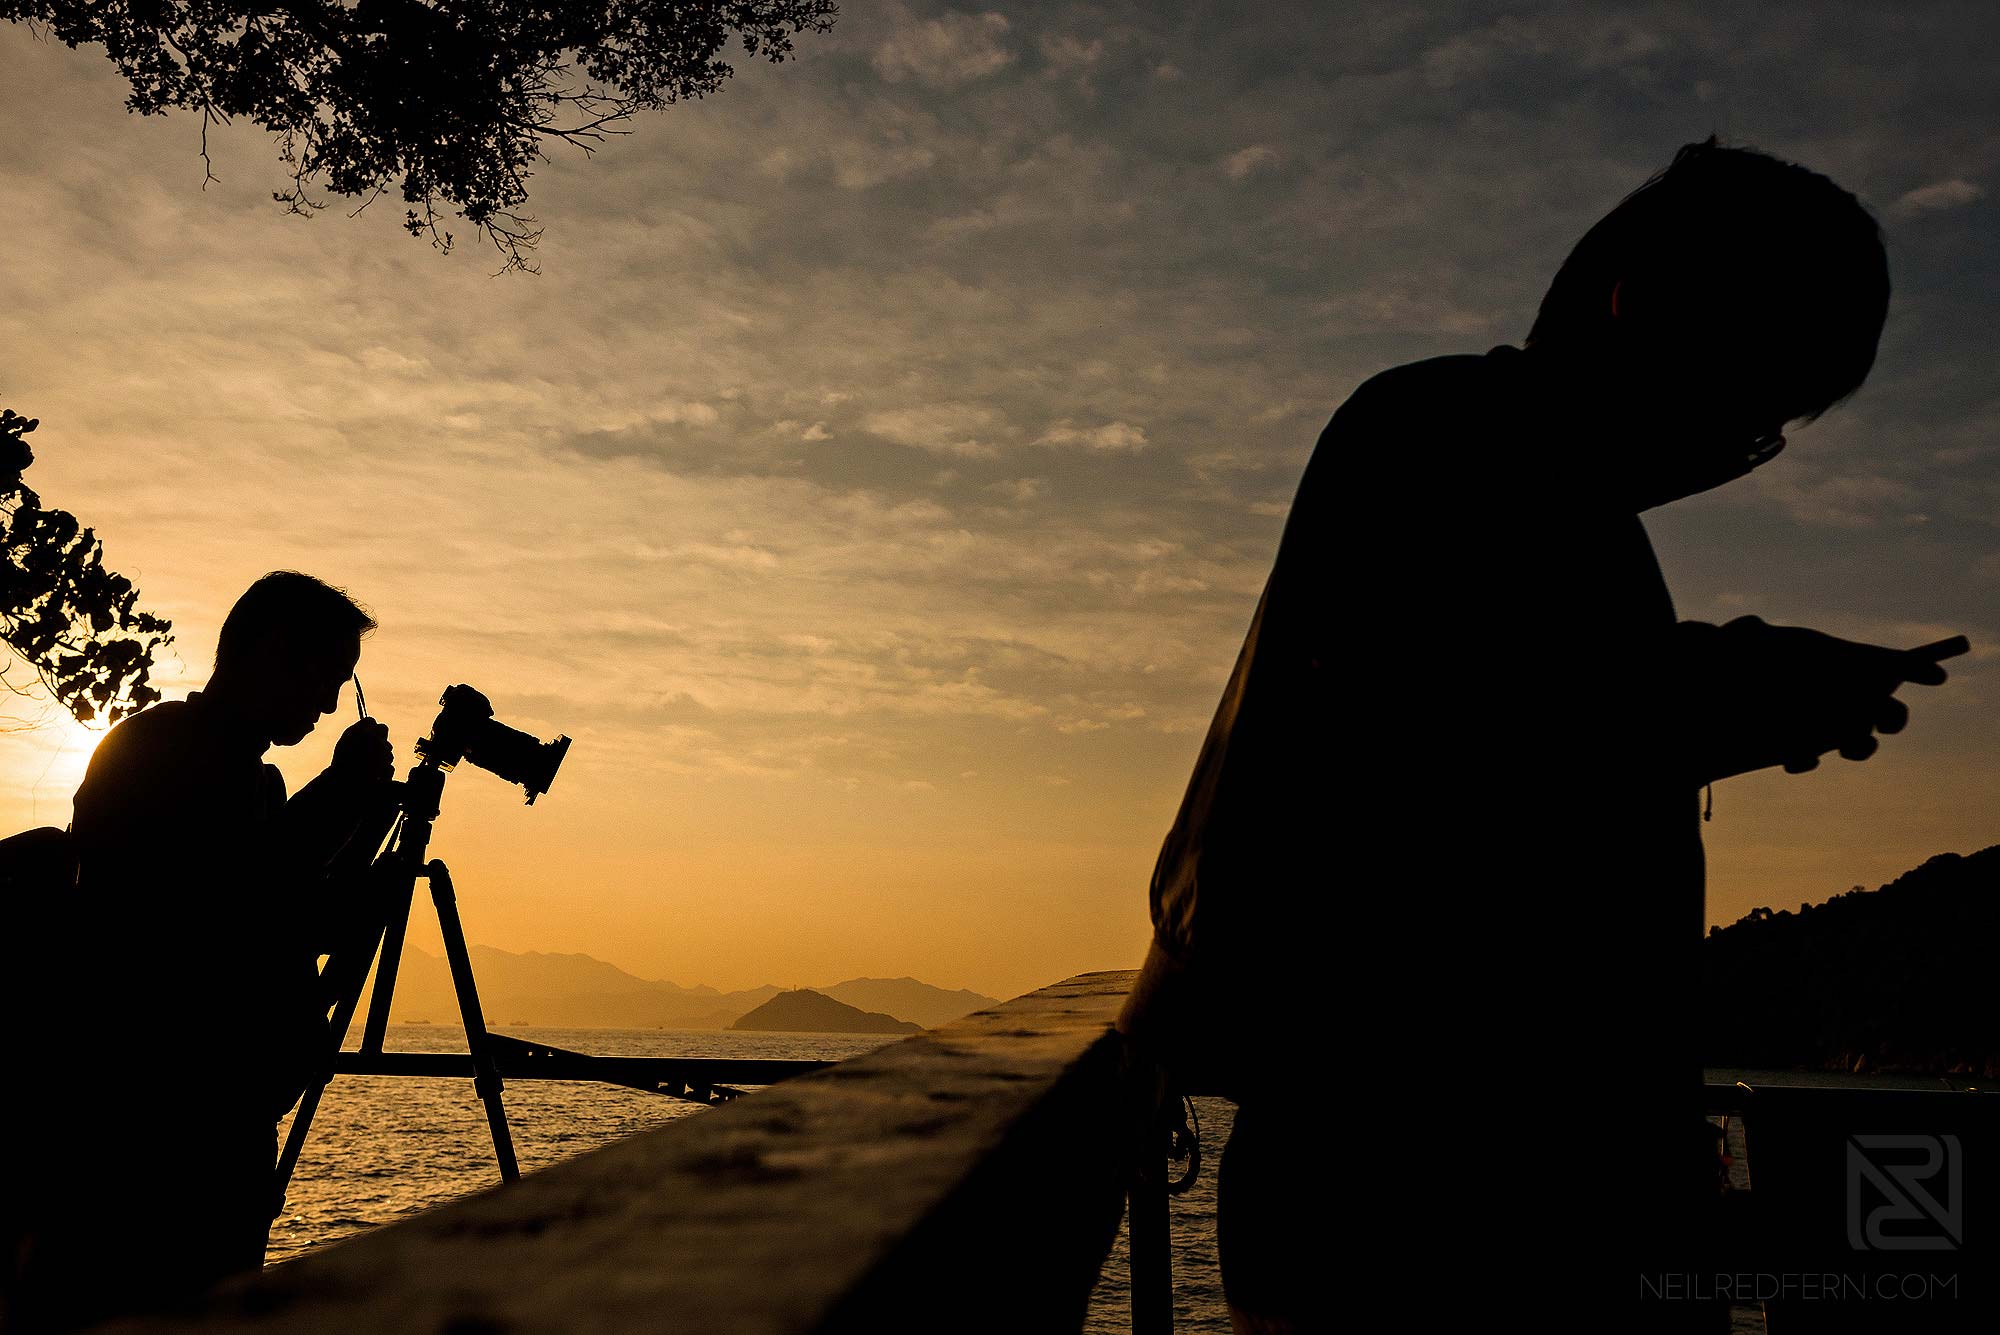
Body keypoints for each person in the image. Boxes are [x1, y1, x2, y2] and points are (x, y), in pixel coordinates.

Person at [1118, 137, 1956, 1331]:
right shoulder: (1446, 435)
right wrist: (1731, 689)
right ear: (1645, 311)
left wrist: (1728, 688)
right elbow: (1450, 734)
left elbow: (1515, 714)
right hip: (1428, 1190)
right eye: (1748, 416)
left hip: (1429, 1173)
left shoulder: (1500, 470)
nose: (1732, 460)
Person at [3, 571, 394, 1331]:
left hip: (216, 1128)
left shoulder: (250, 778)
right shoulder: (158, 750)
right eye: (326, 679)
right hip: (148, 1136)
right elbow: (217, 902)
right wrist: (338, 793)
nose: (325, 705)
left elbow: (298, 922)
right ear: (274, 651)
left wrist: (364, 820)